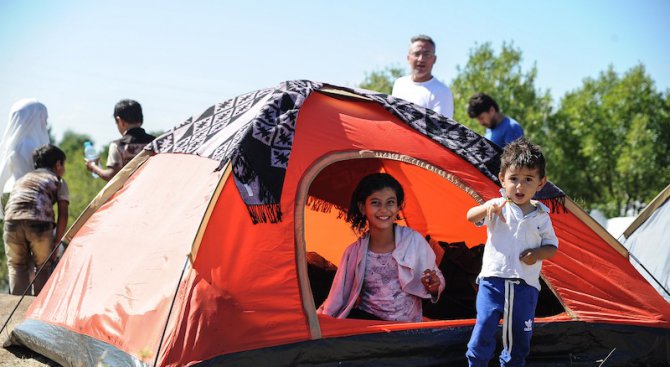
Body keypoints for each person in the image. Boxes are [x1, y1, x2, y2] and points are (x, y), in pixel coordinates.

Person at [465, 138, 558, 366]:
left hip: (525, 286)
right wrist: (487, 208)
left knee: (519, 335)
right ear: (502, 179)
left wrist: (537, 254)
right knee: (485, 325)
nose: (520, 186)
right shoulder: (498, 205)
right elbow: (470, 216)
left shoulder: (541, 215)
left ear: (541, 182)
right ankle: (475, 362)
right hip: (492, 281)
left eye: (528, 180)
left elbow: (551, 247)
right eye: (514, 179)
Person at [317, 173, 445, 322]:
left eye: (390, 202)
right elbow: (337, 296)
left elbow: (437, 280)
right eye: (375, 203)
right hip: (371, 329)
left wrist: (434, 286)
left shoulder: (413, 241)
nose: (384, 210)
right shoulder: (354, 252)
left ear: (398, 207)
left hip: (408, 331)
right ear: (362, 208)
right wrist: (323, 321)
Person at [3, 144, 69, 295]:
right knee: (43, 266)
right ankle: (37, 312)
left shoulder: (22, 179)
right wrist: (56, 243)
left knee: (17, 266)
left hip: (11, 222)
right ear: (58, 164)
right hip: (39, 222)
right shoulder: (57, 180)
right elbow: (63, 214)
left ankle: (17, 313)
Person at [0, 99, 51, 218]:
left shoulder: (15, 145)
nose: (45, 122)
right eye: (44, 118)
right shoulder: (30, 146)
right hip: (33, 207)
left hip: (15, 204)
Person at [86, 99, 155, 181]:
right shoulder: (155, 142)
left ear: (120, 121)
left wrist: (93, 167)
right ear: (141, 120)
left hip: (130, 192)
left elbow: (111, 176)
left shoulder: (118, 146)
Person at [392, 34, 454, 119]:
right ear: (408, 58)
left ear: (434, 59)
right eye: (416, 54)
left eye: (426, 54)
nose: (421, 59)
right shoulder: (399, 84)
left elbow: (441, 128)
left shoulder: (442, 92)